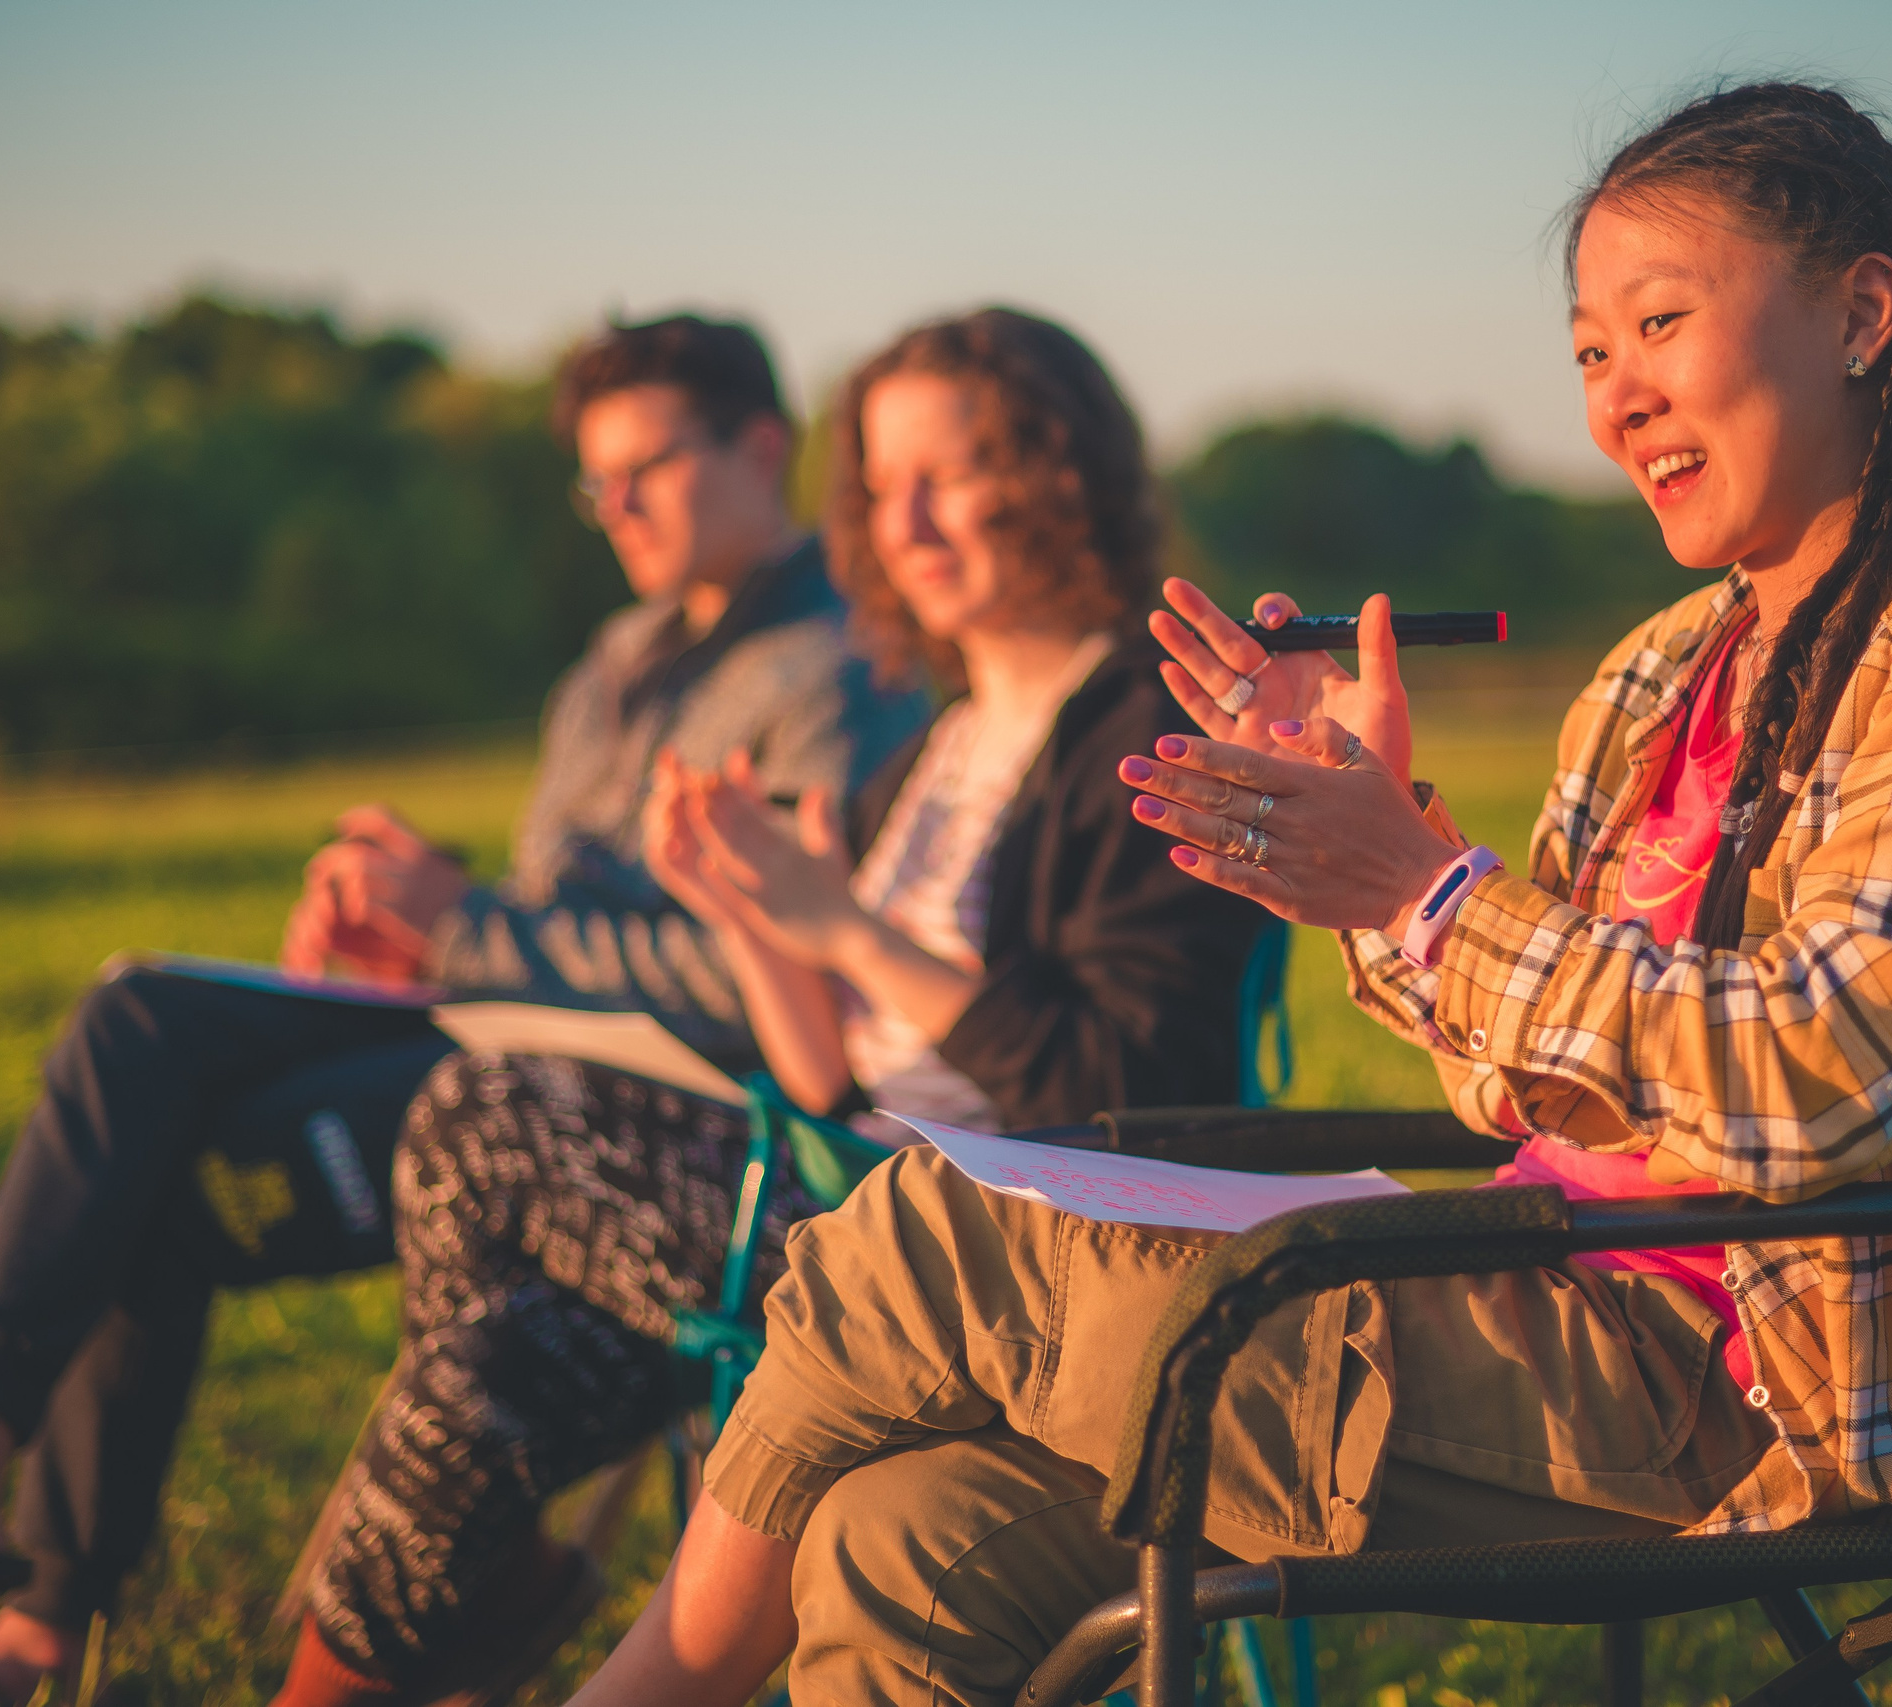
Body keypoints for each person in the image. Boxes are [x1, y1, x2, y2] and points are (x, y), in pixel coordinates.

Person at [562, 84, 1892, 1706]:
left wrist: (1432, 890)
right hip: (1526, 1300)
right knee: (902, 1536)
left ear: (1864, 313)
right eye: (1591, 352)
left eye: (1661, 323)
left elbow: (1836, 1070)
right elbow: (1514, 1082)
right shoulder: (1665, 674)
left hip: (1737, 1391)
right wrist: (1380, 867)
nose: (1619, 396)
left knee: (919, 1237)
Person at [0, 314, 929, 1707]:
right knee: (142, 1020)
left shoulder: (844, 671)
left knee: (163, 1186)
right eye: (594, 482)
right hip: (490, 1026)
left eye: (647, 469)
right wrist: (419, 931)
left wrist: (470, 924)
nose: (615, 508)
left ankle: (34, 1636)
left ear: (761, 449)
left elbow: (763, 973)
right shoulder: (613, 662)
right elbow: (553, 913)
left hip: (638, 1102)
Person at [262, 308, 1271, 1707]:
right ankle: (469, 1576)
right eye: (876, 481)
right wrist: (752, 910)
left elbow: (1117, 1076)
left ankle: (507, 1591)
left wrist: (840, 924)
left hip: (1015, 1245)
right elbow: (825, 1073)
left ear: (1056, 469)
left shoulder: (1151, 733)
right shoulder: (937, 744)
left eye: (949, 473)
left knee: (493, 1114)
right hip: (855, 1193)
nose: (902, 517)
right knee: (476, 1374)